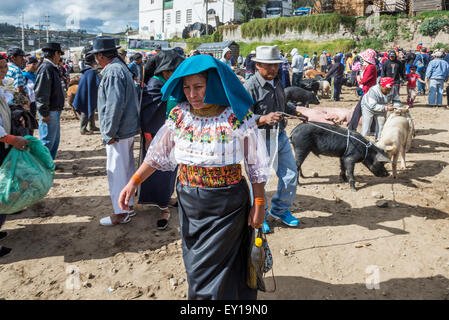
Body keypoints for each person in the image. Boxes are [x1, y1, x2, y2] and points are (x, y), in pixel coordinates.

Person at [118, 54, 270, 299]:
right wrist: (133, 182)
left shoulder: (237, 117)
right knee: (197, 266)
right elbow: (156, 154)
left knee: (220, 268)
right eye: (187, 88)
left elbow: (255, 164)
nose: (192, 94)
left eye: (199, 87)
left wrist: (259, 203)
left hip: (228, 205)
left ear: (215, 86)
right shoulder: (180, 115)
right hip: (190, 203)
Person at [244, 45, 301, 234]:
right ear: (258, 65)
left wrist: (295, 111)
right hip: (260, 138)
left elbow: (281, 102)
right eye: (269, 66)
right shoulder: (249, 86)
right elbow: (240, 116)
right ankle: (261, 213)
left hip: (280, 135)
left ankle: (280, 210)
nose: (274, 69)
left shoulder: (277, 81)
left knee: (290, 174)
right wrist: (261, 119)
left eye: (276, 65)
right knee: (260, 179)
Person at [88, 37, 139, 226]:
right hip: (125, 129)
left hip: (118, 132)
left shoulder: (112, 72)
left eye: (96, 55)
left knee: (117, 172)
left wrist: (108, 132)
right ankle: (128, 207)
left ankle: (120, 213)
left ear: (101, 55)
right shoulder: (120, 68)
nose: (95, 59)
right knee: (125, 170)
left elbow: (113, 106)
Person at [139, 49, 183, 230]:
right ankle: (163, 207)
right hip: (157, 138)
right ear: (166, 71)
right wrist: (149, 138)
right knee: (160, 172)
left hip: (170, 135)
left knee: (170, 170)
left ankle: (165, 198)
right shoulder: (154, 85)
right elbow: (147, 113)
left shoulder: (166, 83)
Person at [0, 54, 30, 258]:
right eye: (0, 67)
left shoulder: (4, 84)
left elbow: (16, 98)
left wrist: (21, 109)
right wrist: (11, 139)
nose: (3, 70)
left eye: (4, 67)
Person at [34, 42, 65, 161]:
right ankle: (43, 166)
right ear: (56, 53)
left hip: (54, 111)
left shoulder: (51, 68)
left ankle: (48, 165)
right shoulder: (46, 68)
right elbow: (41, 93)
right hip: (50, 111)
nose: (59, 58)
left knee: (53, 141)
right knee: (47, 141)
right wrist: (44, 113)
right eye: (59, 54)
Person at [348, 49, 378, 131]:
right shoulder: (370, 67)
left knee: (358, 110)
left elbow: (364, 80)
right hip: (368, 91)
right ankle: (373, 129)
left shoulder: (371, 67)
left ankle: (352, 127)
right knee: (369, 110)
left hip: (368, 92)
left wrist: (358, 79)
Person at [73, 46, 100, 135]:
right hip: (87, 95)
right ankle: (83, 128)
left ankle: (92, 126)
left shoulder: (86, 71)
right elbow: (97, 84)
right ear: (93, 62)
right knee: (86, 110)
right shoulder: (91, 72)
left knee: (91, 109)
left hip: (86, 94)